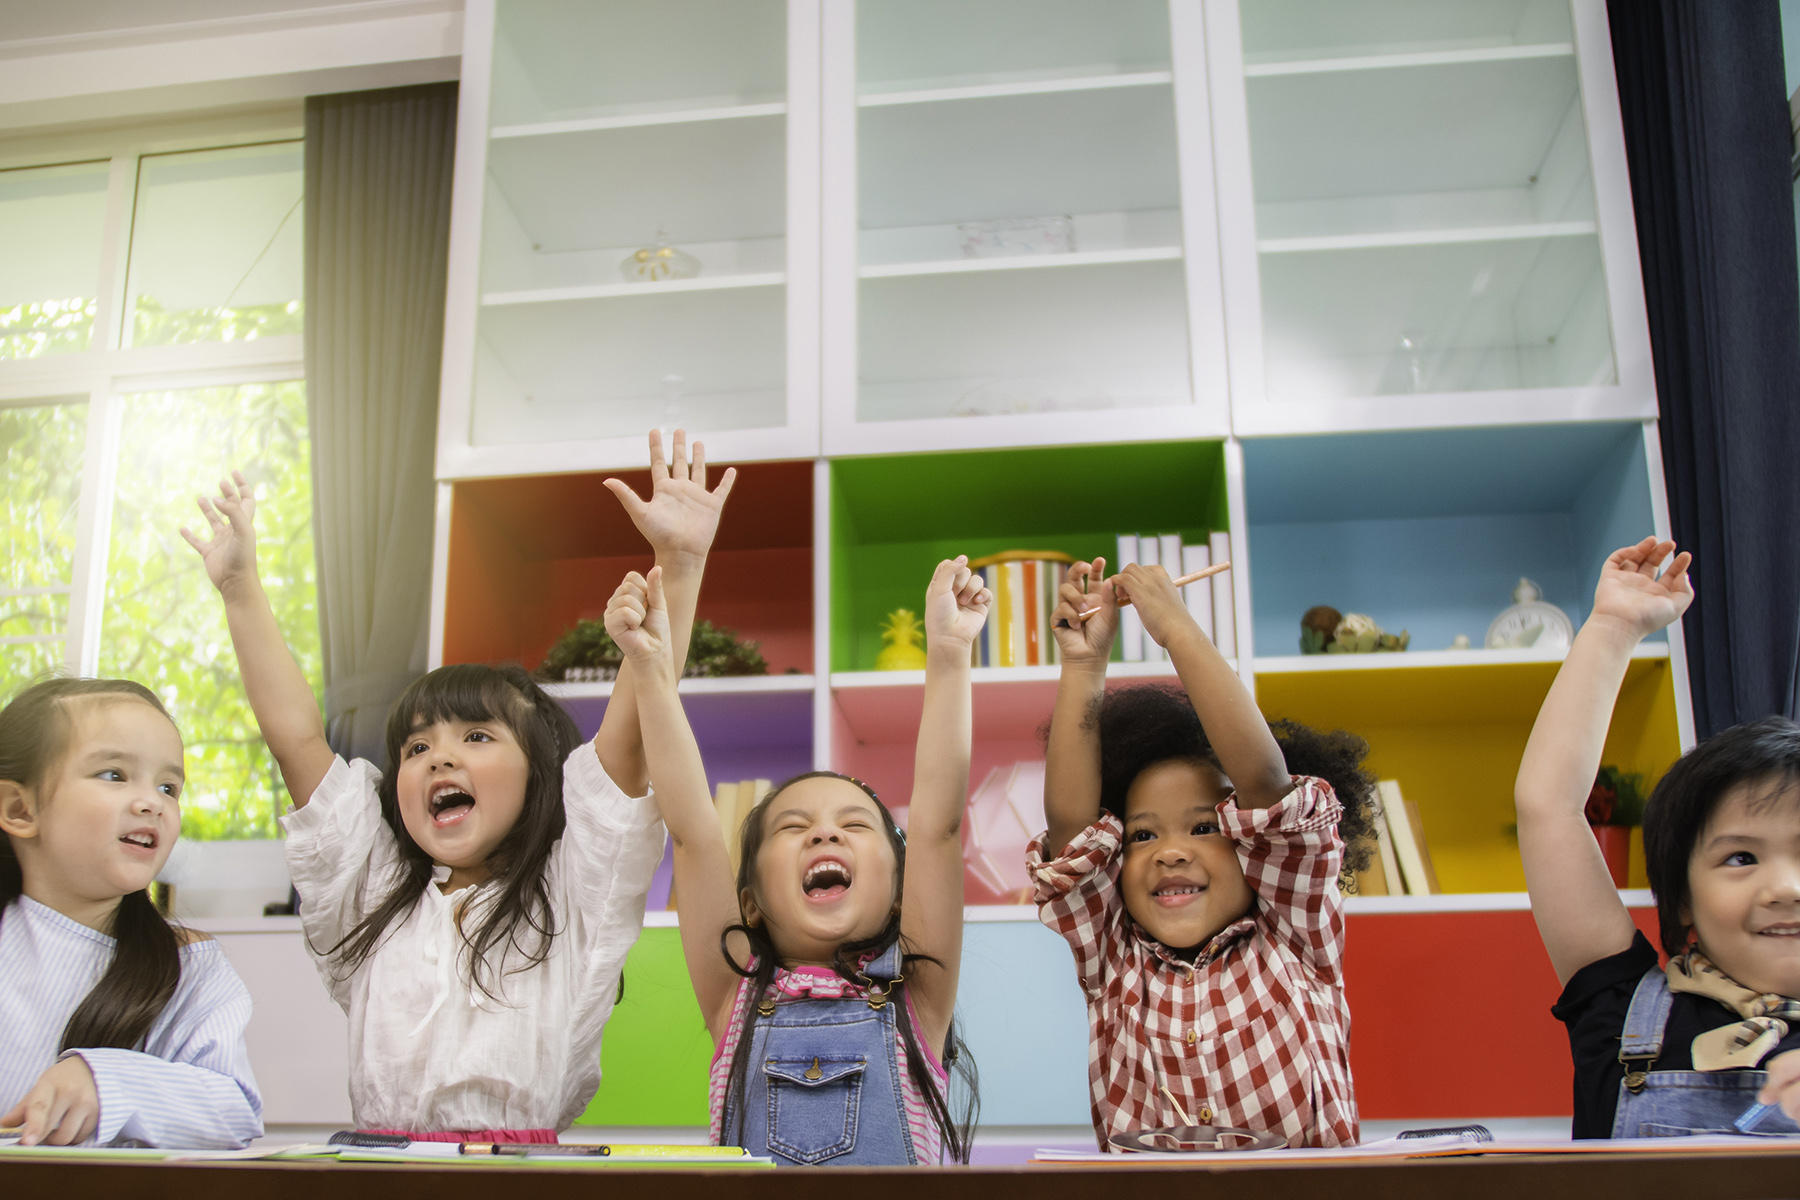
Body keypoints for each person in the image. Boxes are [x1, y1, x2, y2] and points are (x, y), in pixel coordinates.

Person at [184, 430, 731, 1139]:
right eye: (417, 747)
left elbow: (629, 740)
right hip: (374, 1173)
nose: (440, 758)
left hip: (517, 1176)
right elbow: (297, 740)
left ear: (540, 778)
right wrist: (240, 589)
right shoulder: (373, 893)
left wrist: (678, 567)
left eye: (476, 737)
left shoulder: (573, 892)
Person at [607, 557, 986, 1163]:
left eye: (854, 824)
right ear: (750, 904)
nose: (823, 835)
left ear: (900, 891)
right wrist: (650, 669)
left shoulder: (919, 993)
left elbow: (938, 827)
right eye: (795, 827)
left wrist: (948, 651)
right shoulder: (735, 994)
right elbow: (696, 836)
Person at [1029, 558, 1376, 1149]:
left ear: (1250, 841)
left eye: (1202, 828)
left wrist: (1178, 631)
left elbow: (1267, 783)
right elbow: (1071, 827)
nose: (1169, 853)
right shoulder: (1113, 956)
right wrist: (1084, 663)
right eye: (1142, 835)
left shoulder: (1296, 935)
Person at [1517, 537, 1800, 1137]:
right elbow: (1550, 806)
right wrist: (1615, 627)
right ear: (1680, 897)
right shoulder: (1621, 1004)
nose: (1785, 887)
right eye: (1741, 856)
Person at [0, 678, 261, 1148]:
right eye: (114, 775)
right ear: (20, 809)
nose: (152, 803)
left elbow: (234, 1113)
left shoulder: (192, 968)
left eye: (168, 787)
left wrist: (109, 1083)